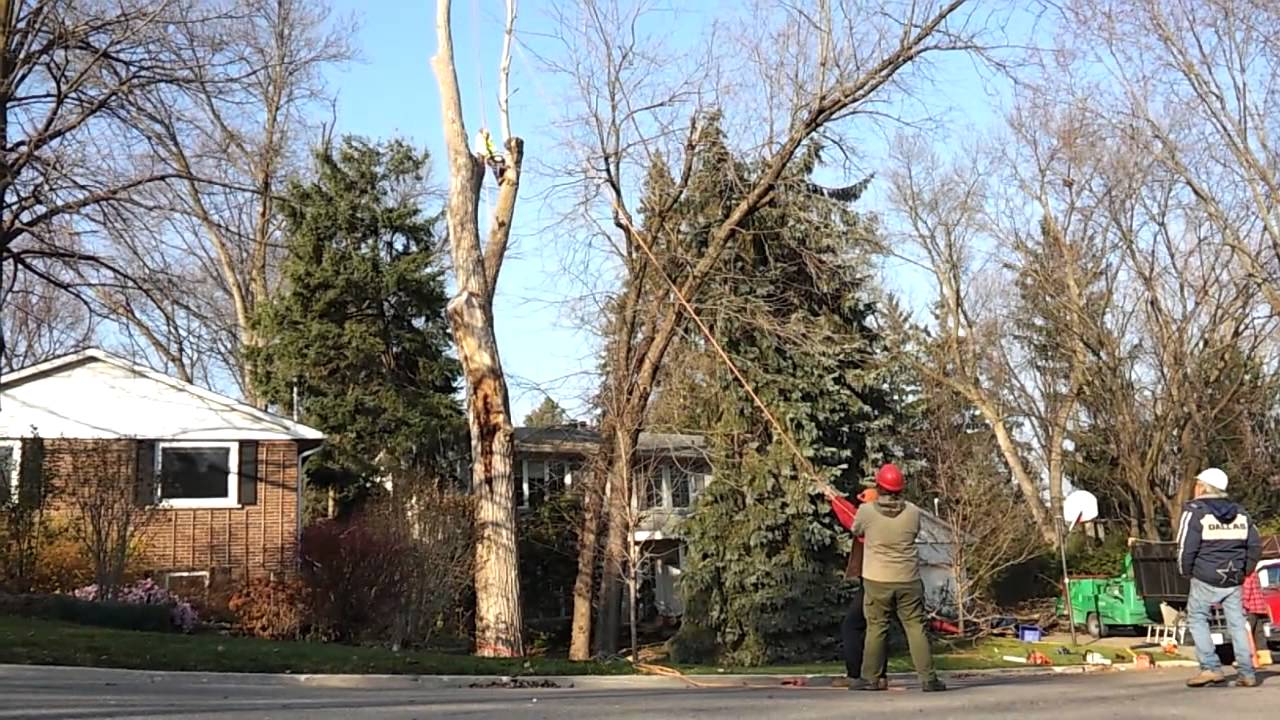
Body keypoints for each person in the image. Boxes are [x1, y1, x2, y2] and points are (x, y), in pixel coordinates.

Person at [850, 463, 945, 692]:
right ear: (901, 488)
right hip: (908, 579)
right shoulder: (913, 512)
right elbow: (912, 532)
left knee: (876, 627)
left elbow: (856, 530)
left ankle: (870, 678)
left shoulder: (867, 511)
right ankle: (928, 679)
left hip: (877, 580)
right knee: (915, 627)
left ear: (878, 486)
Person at [1177, 467, 1261, 688]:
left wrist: (1186, 571)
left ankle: (1210, 669)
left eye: (1197, 484)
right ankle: (1247, 672)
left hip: (1204, 577)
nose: (1194, 488)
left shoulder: (1195, 512)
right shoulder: (1242, 514)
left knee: (1197, 620)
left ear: (1204, 487)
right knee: (1237, 624)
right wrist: (1245, 571)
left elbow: (1185, 547)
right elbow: (1255, 546)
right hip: (1233, 578)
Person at [829, 486, 890, 690]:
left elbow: (850, 519)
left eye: (864, 504)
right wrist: (834, 496)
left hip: (874, 581)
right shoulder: (886, 521)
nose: (861, 507)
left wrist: (834, 499)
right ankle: (880, 675)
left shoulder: (869, 524)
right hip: (890, 579)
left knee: (852, 626)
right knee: (879, 626)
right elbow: (851, 514)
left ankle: (856, 674)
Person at [1242, 569, 1269, 666]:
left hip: (1250, 607)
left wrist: (1243, 603)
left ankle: (1248, 659)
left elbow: (1246, 590)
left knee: (1247, 633)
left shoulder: (1247, 573)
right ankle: (1264, 657)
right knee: (1258, 633)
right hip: (1259, 607)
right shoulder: (1254, 572)